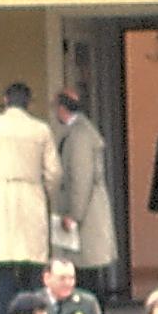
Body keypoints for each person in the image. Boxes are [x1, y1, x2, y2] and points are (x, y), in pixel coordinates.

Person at [0, 80, 60, 314]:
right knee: (32, 261)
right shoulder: (40, 129)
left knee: (2, 258)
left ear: (5, 99)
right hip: (32, 194)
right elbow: (54, 172)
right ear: (28, 103)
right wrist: (44, 192)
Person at [50, 89, 118, 298]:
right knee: (83, 266)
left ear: (62, 109)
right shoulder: (78, 131)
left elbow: (81, 178)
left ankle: (92, 311)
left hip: (86, 212)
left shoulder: (79, 135)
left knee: (86, 268)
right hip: (86, 208)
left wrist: (74, 214)